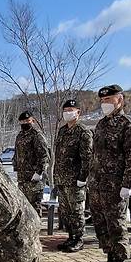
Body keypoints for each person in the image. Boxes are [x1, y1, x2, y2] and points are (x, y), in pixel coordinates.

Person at [88, 84, 131, 262]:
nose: (104, 104)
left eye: (108, 100)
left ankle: (119, 261)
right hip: (97, 184)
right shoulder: (101, 124)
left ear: (120, 99)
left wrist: (128, 184)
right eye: (102, 101)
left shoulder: (128, 125)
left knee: (116, 222)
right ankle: (110, 257)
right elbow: (95, 155)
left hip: (116, 185)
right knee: (101, 222)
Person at [53, 99, 93, 252]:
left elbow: (87, 157)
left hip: (75, 180)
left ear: (78, 112)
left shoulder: (83, 132)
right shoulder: (63, 131)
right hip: (62, 179)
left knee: (76, 211)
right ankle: (70, 237)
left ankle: (79, 239)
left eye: (71, 109)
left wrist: (83, 178)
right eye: (65, 110)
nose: (68, 113)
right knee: (65, 211)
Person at [13, 111, 50, 216]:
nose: (25, 123)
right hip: (22, 178)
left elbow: (44, 155)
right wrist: (15, 165)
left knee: (34, 207)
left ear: (32, 121)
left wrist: (39, 172)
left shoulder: (37, 135)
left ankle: (36, 229)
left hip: (34, 178)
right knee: (24, 206)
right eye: (23, 121)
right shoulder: (19, 136)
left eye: (27, 120)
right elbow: (17, 153)